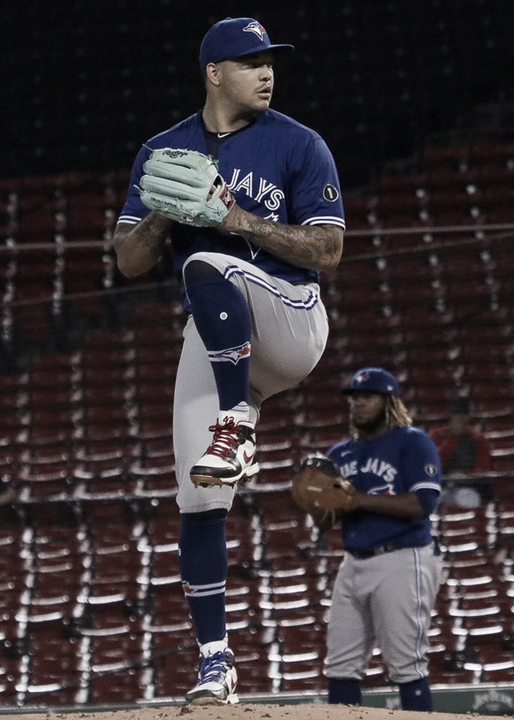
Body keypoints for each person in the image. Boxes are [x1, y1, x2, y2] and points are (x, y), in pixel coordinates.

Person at [111, 16, 344, 706]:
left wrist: (236, 220)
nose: (266, 72)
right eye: (250, 62)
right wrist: (160, 212)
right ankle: (216, 664)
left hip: (291, 317)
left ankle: (237, 424)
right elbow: (128, 262)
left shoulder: (301, 144)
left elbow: (328, 252)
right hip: (218, 334)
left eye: (269, 61)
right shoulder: (164, 149)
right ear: (215, 73)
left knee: (211, 258)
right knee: (198, 493)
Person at [317, 367, 443, 712]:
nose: (357, 403)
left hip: (403, 558)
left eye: (366, 397)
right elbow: (328, 519)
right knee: (340, 665)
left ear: (388, 402)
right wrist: (315, 503)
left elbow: (423, 503)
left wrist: (358, 499)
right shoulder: (341, 453)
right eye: (354, 398)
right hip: (353, 561)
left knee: (406, 664)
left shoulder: (413, 442)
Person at [428, 396, 491, 507]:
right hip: (440, 484)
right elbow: (433, 465)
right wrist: (452, 439)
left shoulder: (477, 438)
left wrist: (466, 476)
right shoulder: (436, 435)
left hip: (468, 486)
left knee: (469, 498)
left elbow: (484, 468)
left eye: (463, 416)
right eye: (457, 417)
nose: (460, 420)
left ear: (468, 417)